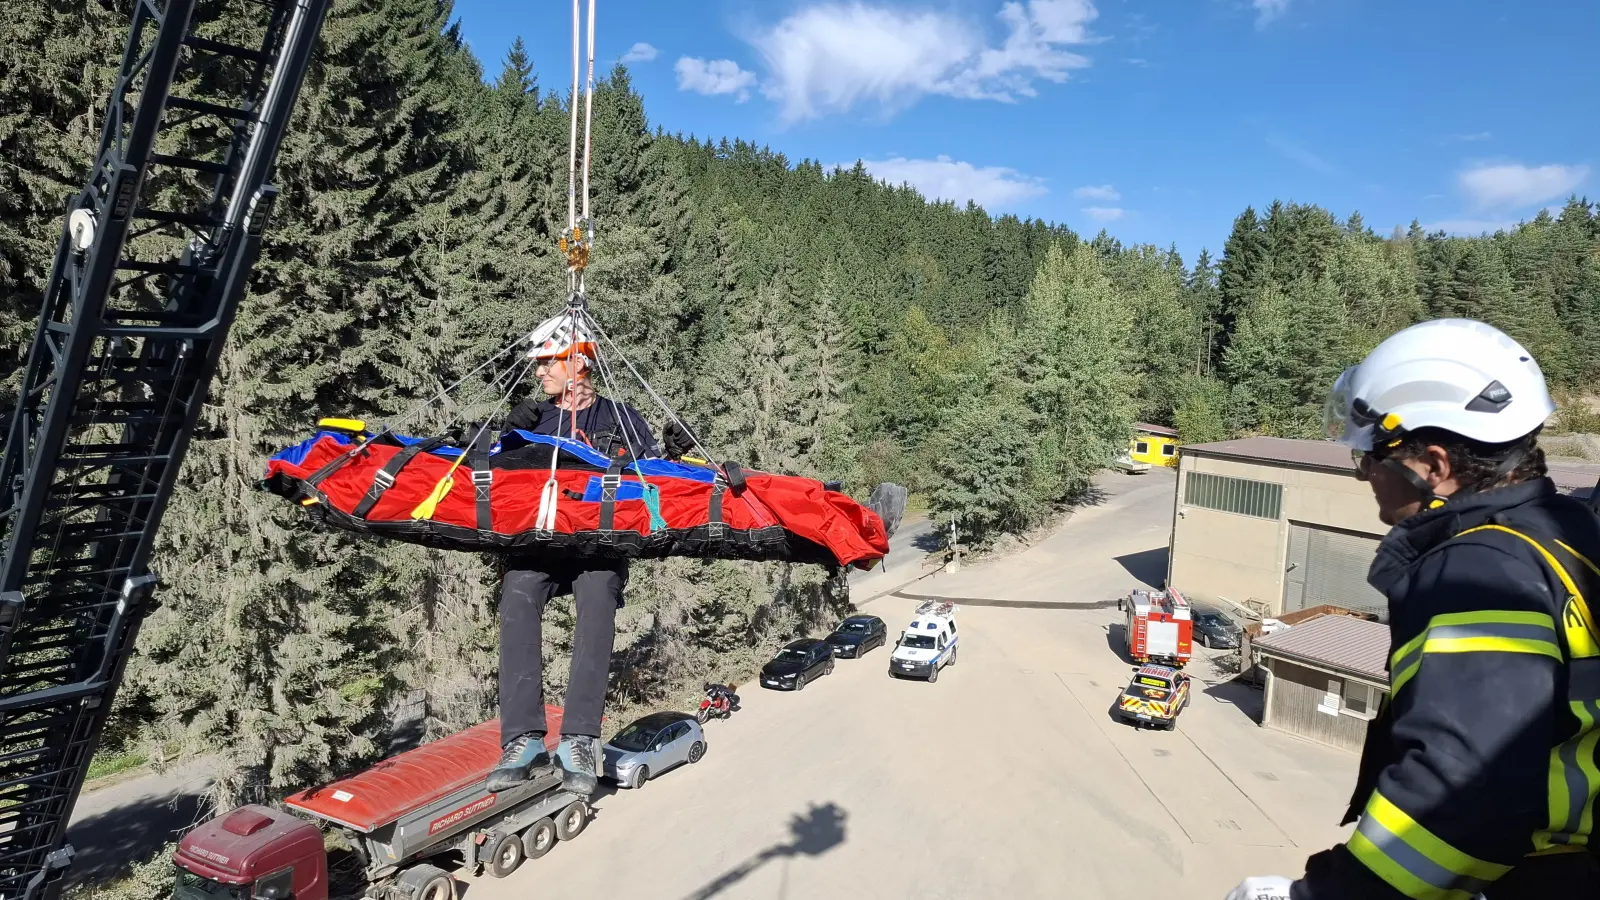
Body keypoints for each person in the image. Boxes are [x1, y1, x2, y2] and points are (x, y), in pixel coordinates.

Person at [1228, 318, 1600, 900]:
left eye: (1371, 457)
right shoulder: (1569, 532)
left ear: (1434, 466)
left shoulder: (1480, 570)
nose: (1365, 476)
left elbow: (1463, 797)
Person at [486, 312, 697, 794]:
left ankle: (580, 739)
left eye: (548, 362)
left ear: (579, 362)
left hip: (599, 543)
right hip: (541, 541)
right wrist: (502, 441)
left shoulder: (620, 417)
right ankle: (522, 740)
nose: (539, 372)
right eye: (538, 364)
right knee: (517, 592)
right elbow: (495, 486)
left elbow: (653, 480)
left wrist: (672, 453)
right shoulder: (533, 419)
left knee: (599, 594)